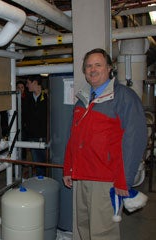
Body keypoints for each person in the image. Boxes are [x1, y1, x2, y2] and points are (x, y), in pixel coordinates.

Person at [63, 48, 148, 240]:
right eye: (88, 66)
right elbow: (73, 138)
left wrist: (124, 180)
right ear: (84, 71)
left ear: (109, 68)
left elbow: (134, 140)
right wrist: (68, 168)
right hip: (82, 176)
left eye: (98, 65)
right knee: (83, 226)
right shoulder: (82, 100)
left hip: (105, 180)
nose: (92, 70)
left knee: (102, 233)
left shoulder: (124, 97)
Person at [23, 76, 48, 176]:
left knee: (48, 164)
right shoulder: (28, 99)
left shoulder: (47, 97)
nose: (27, 85)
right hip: (33, 137)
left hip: (46, 137)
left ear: (35, 83)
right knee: (38, 165)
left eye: (28, 82)